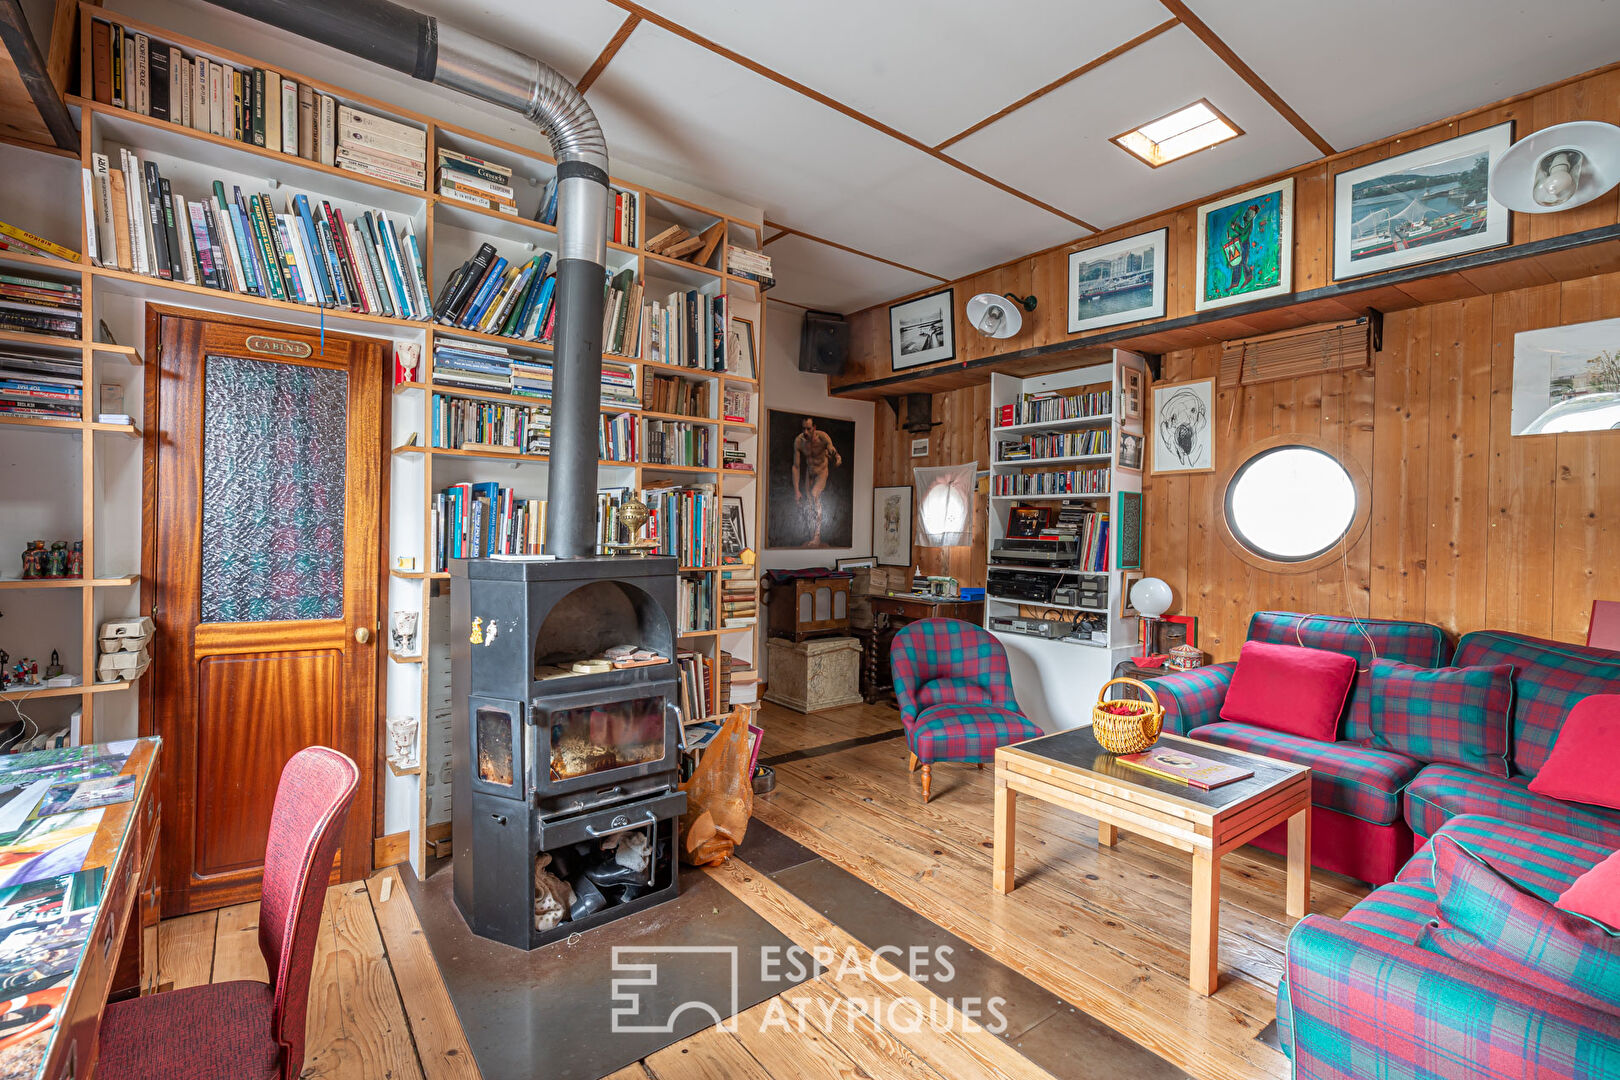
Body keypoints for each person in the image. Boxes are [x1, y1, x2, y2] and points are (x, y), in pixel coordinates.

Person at [792, 416, 842, 546]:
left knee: (815, 495)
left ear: (814, 428)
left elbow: (831, 449)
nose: (806, 432)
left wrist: (836, 456)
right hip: (809, 473)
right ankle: (812, 536)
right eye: (803, 429)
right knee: (809, 504)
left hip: (821, 472)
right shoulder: (799, 441)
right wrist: (796, 490)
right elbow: (796, 466)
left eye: (808, 429)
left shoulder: (823, 437)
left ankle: (817, 536)